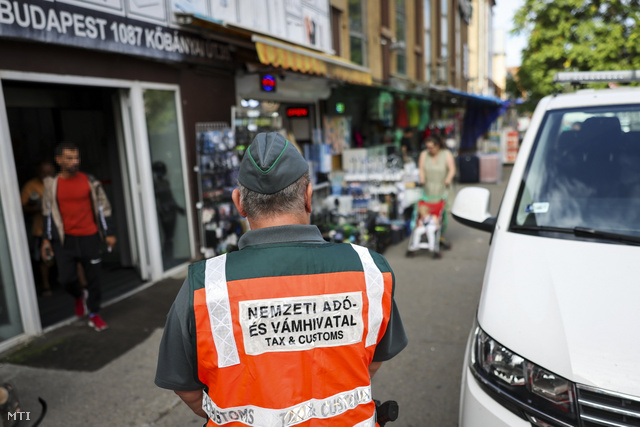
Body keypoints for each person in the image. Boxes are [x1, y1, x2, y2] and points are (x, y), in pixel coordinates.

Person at [155, 132, 408, 426]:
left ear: (239, 202)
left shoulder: (205, 284)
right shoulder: (370, 270)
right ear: (308, 196)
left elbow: (184, 386)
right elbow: (374, 357)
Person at [41, 142, 116, 332]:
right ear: (58, 160)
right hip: (65, 240)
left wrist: (109, 233)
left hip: (89, 236)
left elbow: (103, 208)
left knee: (94, 279)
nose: (75, 162)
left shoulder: (90, 181)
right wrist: (46, 239)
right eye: (70, 158)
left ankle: (94, 314)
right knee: (65, 279)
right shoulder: (51, 185)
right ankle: (78, 295)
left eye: (77, 158)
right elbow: (47, 213)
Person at [21, 161, 56, 296]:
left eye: (49, 172)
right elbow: (22, 207)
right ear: (38, 172)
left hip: (61, 227)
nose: (47, 175)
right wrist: (37, 208)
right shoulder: (31, 186)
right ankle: (46, 286)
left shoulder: (59, 182)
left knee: (68, 254)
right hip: (40, 228)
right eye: (43, 172)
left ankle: (78, 284)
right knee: (43, 258)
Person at [418, 135, 456, 244]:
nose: (429, 150)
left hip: (442, 187)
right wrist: (422, 178)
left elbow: (452, 169)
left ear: (437, 146)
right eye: (427, 147)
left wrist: (448, 179)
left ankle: (440, 233)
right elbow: (421, 169)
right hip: (429, 188)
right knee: (427, 211)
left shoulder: (446, 154)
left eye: (431, 147)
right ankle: (428, 232)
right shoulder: (424, 155)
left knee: (441, 212)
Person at [152, 160, 185, 265]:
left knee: (170, 237)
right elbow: (157, 201)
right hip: (165, 213)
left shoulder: (165, 182)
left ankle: (168, 258)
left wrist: (178, 208)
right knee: (168, 237)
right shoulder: (155, 184)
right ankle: (166, 258)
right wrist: (162, 212)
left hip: (170, 211)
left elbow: (170, 198)